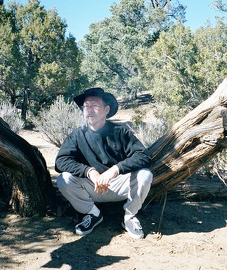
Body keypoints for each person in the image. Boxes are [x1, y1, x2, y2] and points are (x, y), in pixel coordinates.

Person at [55, 87, 153, 239]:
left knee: (145, 175)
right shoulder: (77, 134)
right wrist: (89, 171)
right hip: (91, 188)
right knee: (64, 179)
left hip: (118, 186)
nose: (89, 109)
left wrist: (115, 169)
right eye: (86, 106)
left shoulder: (120, 132)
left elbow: (143, 156)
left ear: (107, 109)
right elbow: (61, 161)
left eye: (95, 105)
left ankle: (129, 216)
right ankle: (92, 214)